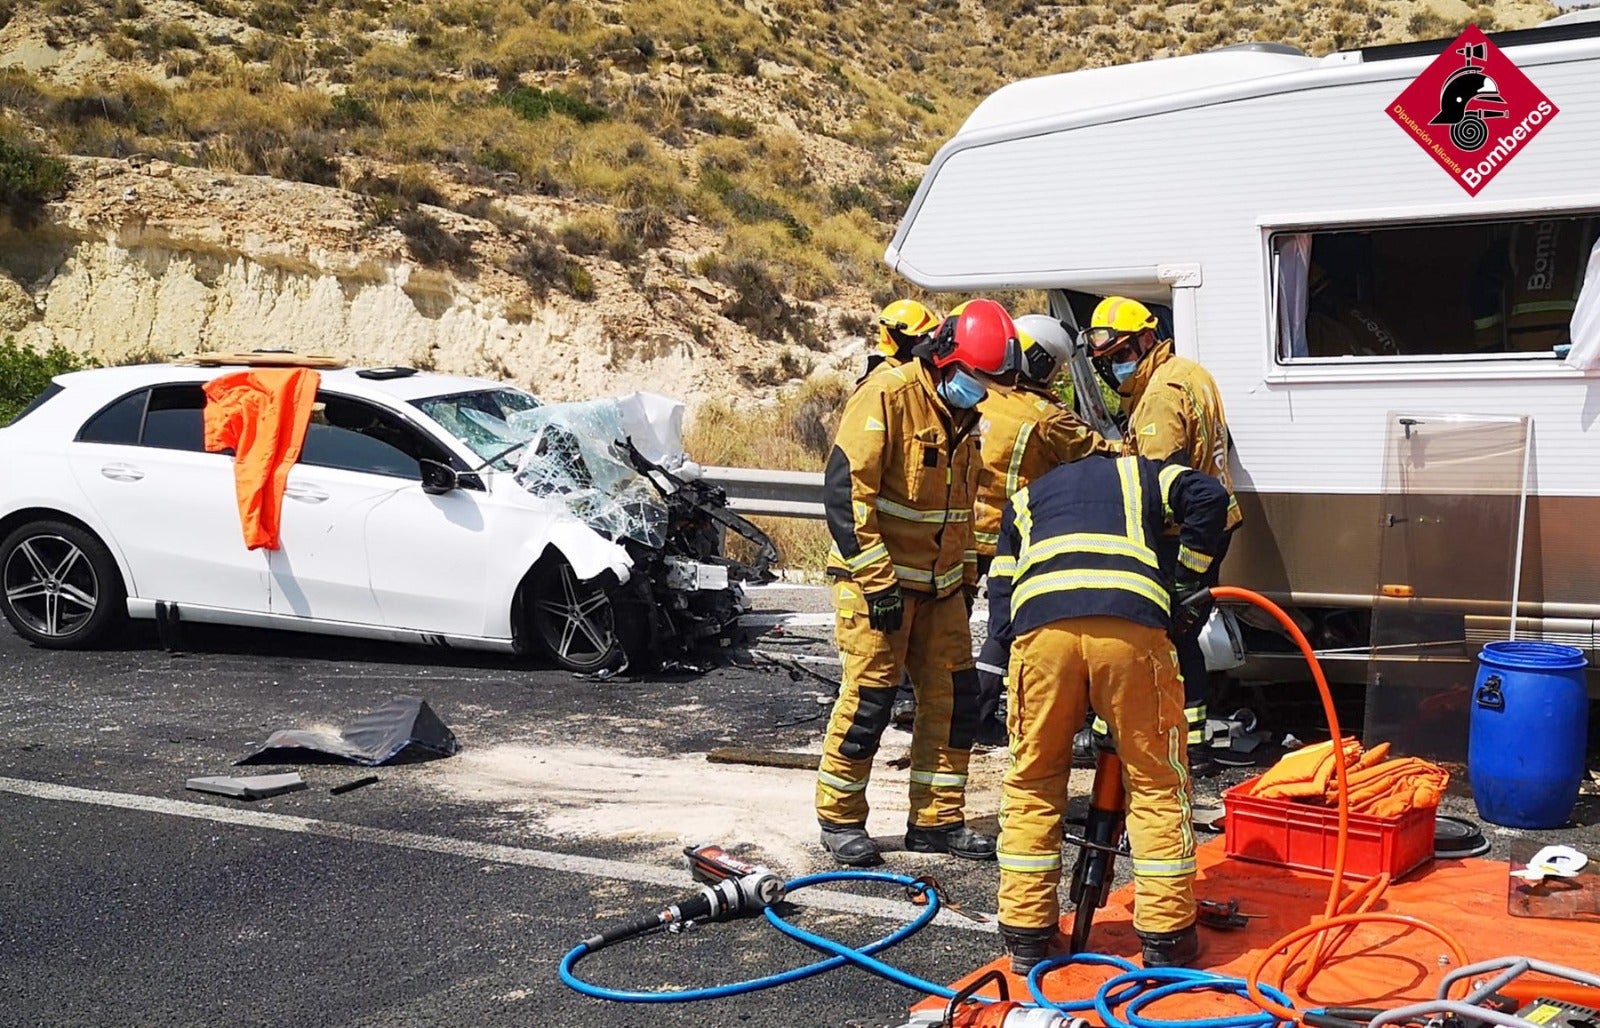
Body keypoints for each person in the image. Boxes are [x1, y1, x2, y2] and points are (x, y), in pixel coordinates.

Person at [985, 453, 1230, 972]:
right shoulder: (1140, 473)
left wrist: (1018, 656)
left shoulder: (1026, 497)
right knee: (1157, 781)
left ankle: (1027, 935)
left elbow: (1001, 588)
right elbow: (1210, 497)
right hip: (1129, 625)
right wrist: (1183, 581)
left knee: (1033, 781)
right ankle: (1166, 936)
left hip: (1042, 632)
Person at [814, 298, 1012, 867]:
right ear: (946, 359)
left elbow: (962, 509)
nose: (983, 390)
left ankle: (937, 821)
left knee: (955, 703)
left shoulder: (964, 418)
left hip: (942, 587)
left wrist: (967, 577)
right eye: (978, 378)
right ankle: (841, 817)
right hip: (877, 584)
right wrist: (878, 584)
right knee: (871, 700)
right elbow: (846, 495)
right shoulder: (887, 396)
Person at [1082, 297, 1241, 778]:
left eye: (1120, 354)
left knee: (1169, 635)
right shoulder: (1192, 373)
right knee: (1184, 633)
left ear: (1147, 340)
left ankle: (1175, 746)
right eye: (1106, 361)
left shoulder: (1158, 397)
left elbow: (1156, 485)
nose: (1114, 368)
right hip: (1216, 523)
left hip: (1182, 533)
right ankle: (1191, 743)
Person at [967, 313, 1118, 740]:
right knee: (1006, 628)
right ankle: (987, 716)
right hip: (1010, 536)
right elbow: (1102, 454)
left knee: (948, 628)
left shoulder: (979, 395)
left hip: (962, 532)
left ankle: (944, 709)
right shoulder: (1046, 417)